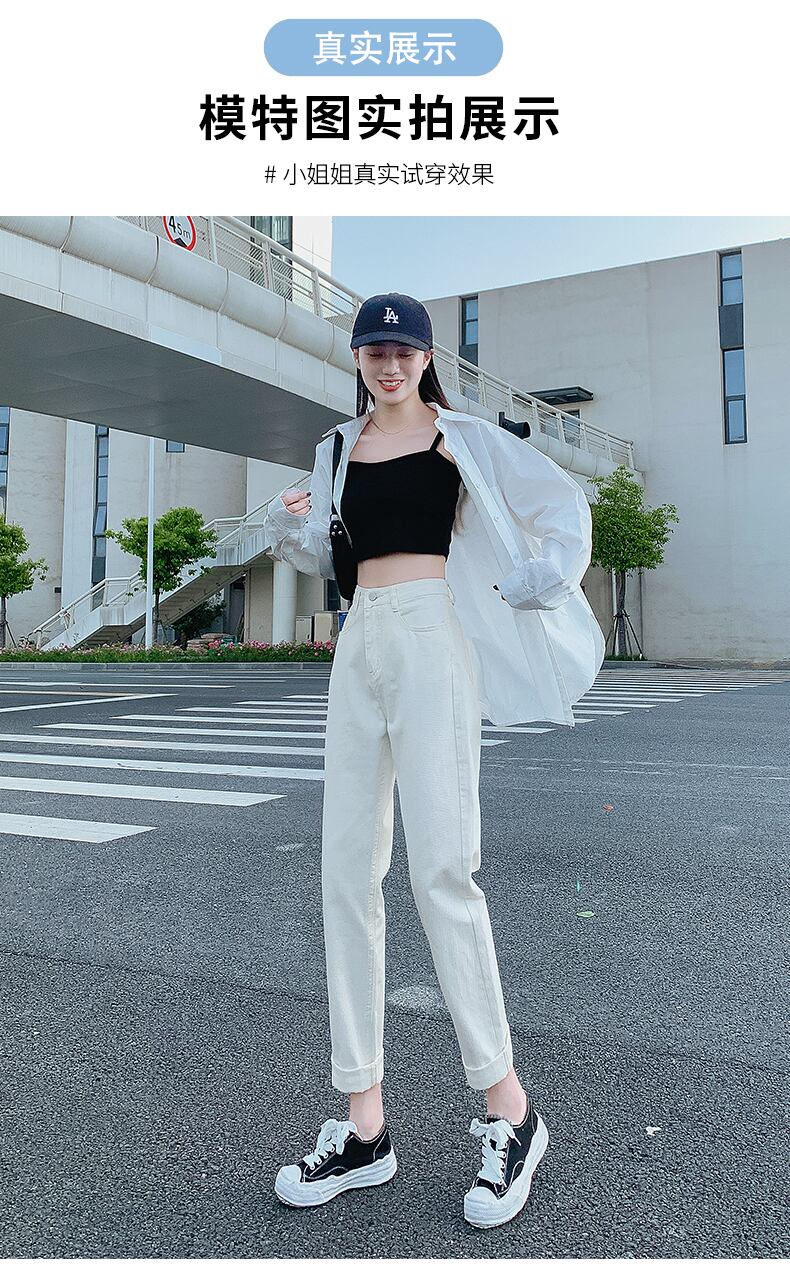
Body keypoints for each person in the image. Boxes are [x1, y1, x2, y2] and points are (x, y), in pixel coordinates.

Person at [263, 293, 603, 1230]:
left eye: (403, 350)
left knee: (443, 871)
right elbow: (324, 555)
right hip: (359, 643)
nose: (388, 364)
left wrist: (546, 574)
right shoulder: (337, 449)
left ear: (424, 358)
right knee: (345, 874)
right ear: (357, 357)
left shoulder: (464, 440)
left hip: (431, 639)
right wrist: (291, 525)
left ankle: (510, 1109)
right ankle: (363, 1123)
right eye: (373, 349)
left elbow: (560, 504)